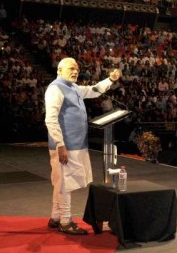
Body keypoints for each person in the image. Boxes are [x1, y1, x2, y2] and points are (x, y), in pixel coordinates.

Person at [45, 57, 120, 235]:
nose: (75, 71)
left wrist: (110, 80)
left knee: (60, 181)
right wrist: (60, 145)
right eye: (71, 68)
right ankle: (65, 221)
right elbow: (51, 119)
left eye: (77, 68)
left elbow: (93, 90)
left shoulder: (74, 88)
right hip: (66, 145)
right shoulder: (55, 89)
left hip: (75, 144)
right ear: (59, 71)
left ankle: (56, 217)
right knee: (65, 183)